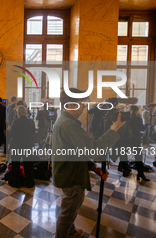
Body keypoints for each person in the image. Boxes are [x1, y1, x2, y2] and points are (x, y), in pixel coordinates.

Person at [52, 88, 125, 238]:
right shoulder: (69, 125)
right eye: (82, 102)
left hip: (67, 173)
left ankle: (71, 232)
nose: (84, 105)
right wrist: (114, 128)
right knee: (67, 215)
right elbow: (94, 150)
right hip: (72, 177)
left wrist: (92, 166)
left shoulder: (64, 120)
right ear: (71, 105)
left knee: (70, 211)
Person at [9, 106, 35, 188]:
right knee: (28, 165)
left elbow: (12, 134)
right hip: (28, 144)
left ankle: (15, 182)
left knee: (15, 164)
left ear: (18, 113)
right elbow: (33, 132)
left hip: (17, 145)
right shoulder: (31, 121)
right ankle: (30, 182)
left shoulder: (15, 122)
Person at [129, 105, 149, 181]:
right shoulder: (137, 118)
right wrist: (141, 119)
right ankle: (140, 173)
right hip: (135, 139)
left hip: (126, 139)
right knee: (138, 157)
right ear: (136, 111)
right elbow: (142, 128)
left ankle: (124, 170)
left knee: (123, 155)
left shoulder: (126, 117)